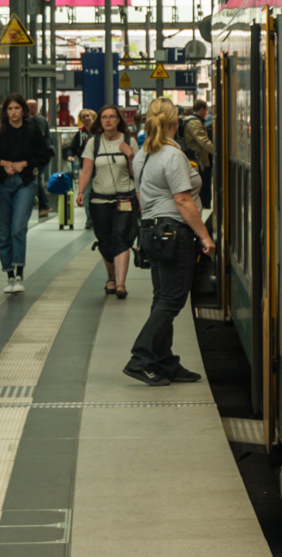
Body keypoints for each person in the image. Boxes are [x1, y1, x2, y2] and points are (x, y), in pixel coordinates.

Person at [125, 101, 211, 386]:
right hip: (174, 232)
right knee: (172, 299)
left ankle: (164, 362)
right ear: (176, 123)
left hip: (153, 231)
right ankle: (140, 358)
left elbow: (142, 197)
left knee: (161, 297)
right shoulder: (172, 155)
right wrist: (204, 235)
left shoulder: (142, 155)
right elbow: (183, 200)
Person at [0, 93, 53, 294]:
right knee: (3, 231)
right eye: (10, 109)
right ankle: (9, 274)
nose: (14, 112)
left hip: (25, 182)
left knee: (18, 228)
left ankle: (19, 274)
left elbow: (44, 155)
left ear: (23, 110)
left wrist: (25, 163)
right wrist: (3, 163)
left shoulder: (32, 129)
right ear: (5, 111)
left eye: (17, 108)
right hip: (0, 182)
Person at [77, 105, 138, 298]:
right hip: (99, 200)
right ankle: (110, 277)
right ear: (100, 121)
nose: (108, 120)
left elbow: (136, 174)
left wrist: (130, 156)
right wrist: (80, 191)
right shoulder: (93, 143)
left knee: (121, 238)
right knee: (104, 241)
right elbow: (87, 170)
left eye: (112, 117)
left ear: (119, 119)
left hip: (125, 197)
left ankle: (121, 284)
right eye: (104, 117)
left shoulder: (129, 141)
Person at [57, 109, 95, 230]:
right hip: (86, 167)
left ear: (92, 116)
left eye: (87, 116)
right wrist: (70, 155)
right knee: (87, 194)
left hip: (101, 167)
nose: (86, 118)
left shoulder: (99, 131)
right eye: (83, 117)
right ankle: (90, 221)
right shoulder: (80, 133)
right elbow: (72, 147)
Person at [180, 99, 215, 209]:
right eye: (205, 110)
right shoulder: (194, 122)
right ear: (201, 109)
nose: (206, 113)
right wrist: (217, 151)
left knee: (204, 189)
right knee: (203, 190)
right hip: (198, 162)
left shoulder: (195, 121)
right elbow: (203, 141)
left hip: (200, 160)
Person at [26, 98, 53, 219]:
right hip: (37, 154)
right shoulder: (31, 119)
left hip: (42, 154)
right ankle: (42, 205)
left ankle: (44, 205)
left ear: (34, 107)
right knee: (36, 178)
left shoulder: (39, 120)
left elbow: (39, 136)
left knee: (36, 179)